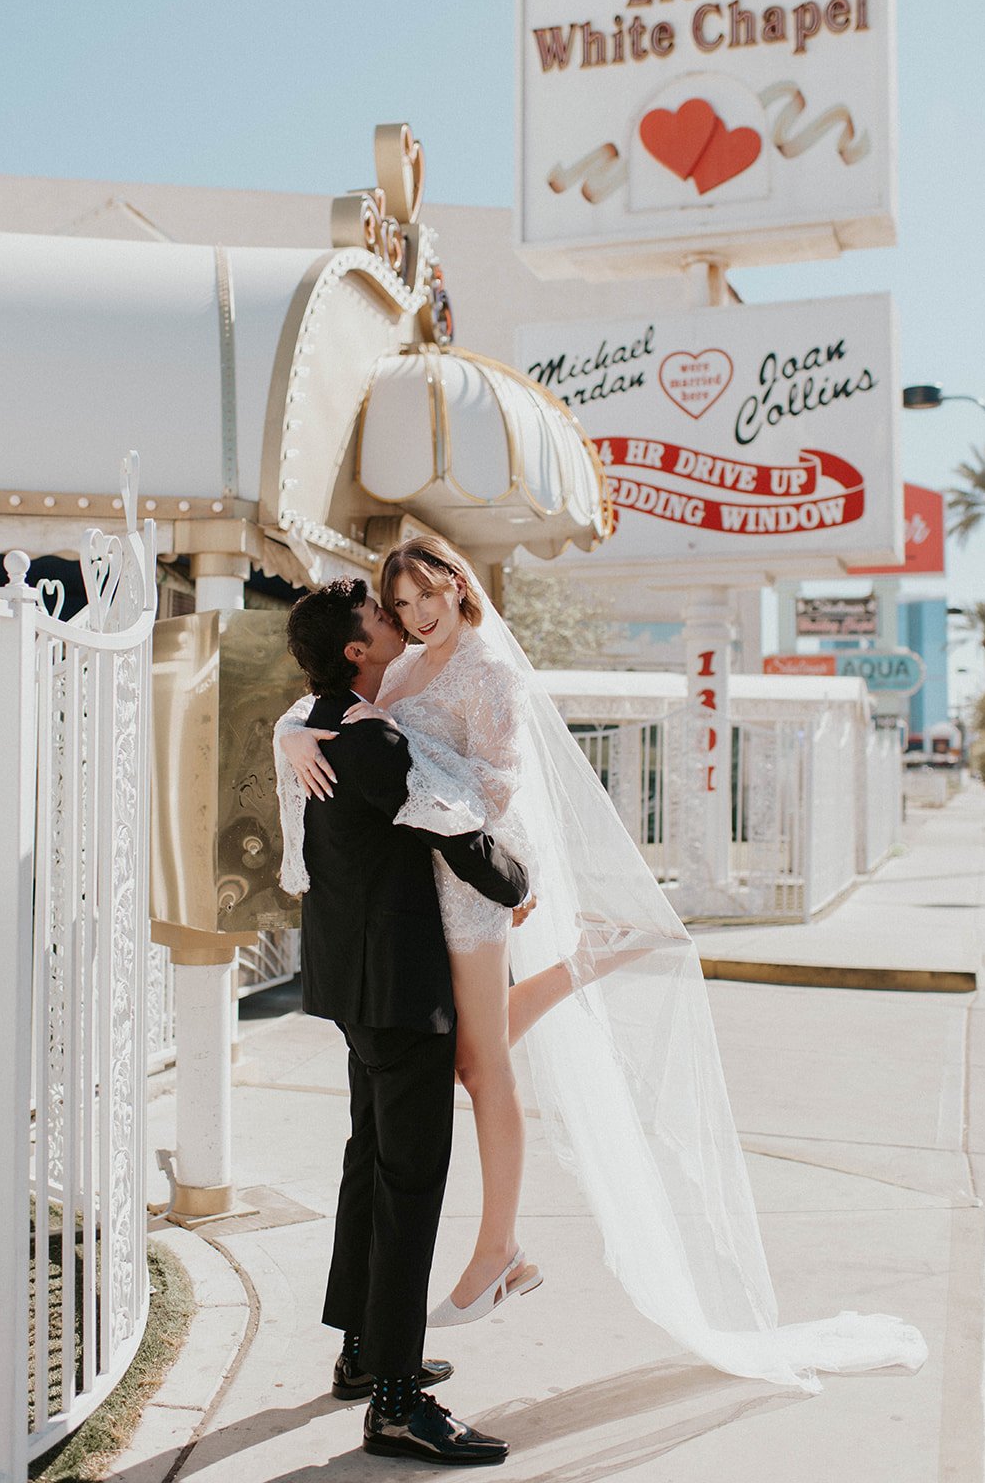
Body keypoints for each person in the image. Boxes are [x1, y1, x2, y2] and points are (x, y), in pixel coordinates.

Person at [277, 536, 928, 1396]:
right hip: (414, 896)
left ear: (458, 583)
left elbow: (496, 791)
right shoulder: (400, 671)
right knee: (459, 1065)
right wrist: (297, 734)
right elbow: (330, 709)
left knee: (480, 1066)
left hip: (470, 887)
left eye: (425, 594)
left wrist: (423, 788)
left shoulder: (489, 674)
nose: (415, 614)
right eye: (397, 606)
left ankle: (497, 1246)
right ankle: (586, 962)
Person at [283, 576, 533, 1466]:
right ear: (359, 652)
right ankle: (394, 1402)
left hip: (352, 985)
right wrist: (523, 882)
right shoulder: (376, 740)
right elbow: (471, 849)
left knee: (370, 1161)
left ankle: (361, 1351)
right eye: (382, 618)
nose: (398, 623)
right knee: (411, 1183)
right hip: (399, 991)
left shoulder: (313, 723)